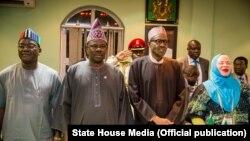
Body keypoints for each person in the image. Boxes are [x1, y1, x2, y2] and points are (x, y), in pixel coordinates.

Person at [55, 18, 133, 140]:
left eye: (102, 46)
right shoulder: (73, 71)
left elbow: (123, 108)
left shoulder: (116, 74)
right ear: (86, 48)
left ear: (106, 48)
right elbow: (64, 103)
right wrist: (65, 131)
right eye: (94, 46)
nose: (98, 49)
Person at [0, 28, 62, 140]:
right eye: (21, 45)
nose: (25, 49)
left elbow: (58, 109)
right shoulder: (4, 75)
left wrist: (57, 135)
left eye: (30, 46)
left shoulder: (52, 76)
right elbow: (1, 108)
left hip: (41, 137)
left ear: (39, 49)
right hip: (11, 136)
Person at [128, 26, 187, 125]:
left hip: (170, 123)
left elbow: (182, 94)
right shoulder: (137, 65)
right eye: (158, 41)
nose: (163, 45)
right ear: (149, 44)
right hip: (146, 122)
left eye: (165, 42)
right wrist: (154, 118)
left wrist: (170, 118)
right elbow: (134, 96)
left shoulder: (175, 65)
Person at [187, 54, 250, 125]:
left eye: (228, 63)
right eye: (221, 63)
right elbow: (194, 114)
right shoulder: (204, 88)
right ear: (214, 66)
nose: (225, 65)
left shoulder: (242, 88)